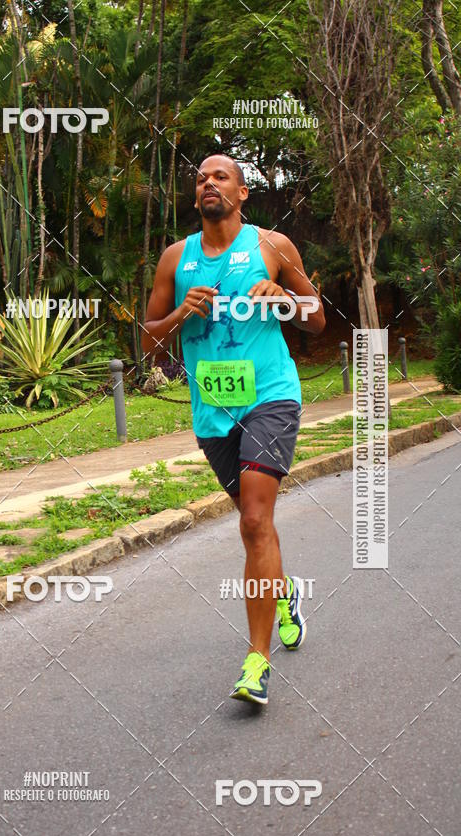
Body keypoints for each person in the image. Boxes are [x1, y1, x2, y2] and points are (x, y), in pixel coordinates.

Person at [141, 154, 326, 705]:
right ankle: (284, 590)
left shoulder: (272, 246)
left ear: (243, 193)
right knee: (255, 525)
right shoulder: (176, 258)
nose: (208, 184)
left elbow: (317, 318)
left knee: (252, 520)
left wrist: (287, 300)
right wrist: (179, 317)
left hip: (270, 396)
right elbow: (148, 344)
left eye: (220, 177)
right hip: (213, 411)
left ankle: (256, 661)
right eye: (201, 178)